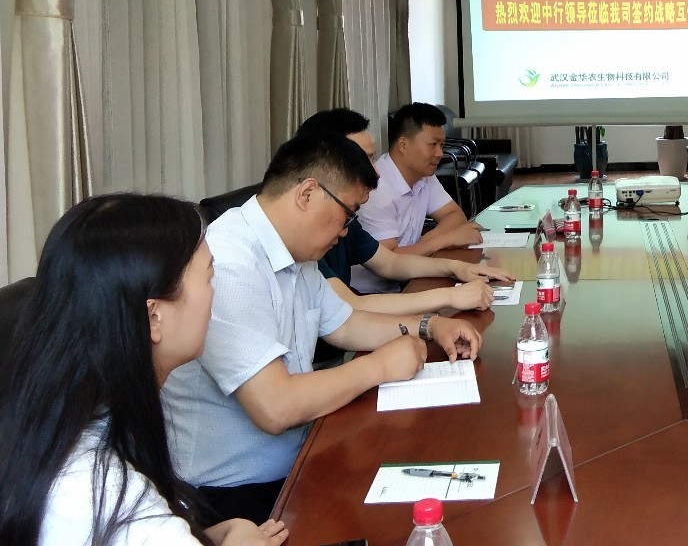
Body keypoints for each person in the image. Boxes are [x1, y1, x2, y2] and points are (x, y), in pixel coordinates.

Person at [163, 133, 483, 527]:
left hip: (301, 453)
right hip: (237, 496)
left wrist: (429, 326)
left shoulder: (294, 251)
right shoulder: (231, 264)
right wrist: (378, 367)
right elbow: (275, 407)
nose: (346, 231)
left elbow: (346, 323)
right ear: (308, 194)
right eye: (348, 214)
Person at [0, 194, 287, 546]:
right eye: (210, 277)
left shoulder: (62, 423)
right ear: (154, 317)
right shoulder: (109, 499)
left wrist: (219, 535)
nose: (216, 294)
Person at [296, 108, 513, 313]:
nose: (376, 173)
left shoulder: (346, 222)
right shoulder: (301, 239)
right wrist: (448, 297)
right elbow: (350, 307)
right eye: (364, 160)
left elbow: (390, 263)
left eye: (372, 159)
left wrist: (456, 268)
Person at [350, 103, 483, 294]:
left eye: (442, 145)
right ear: (403, 145)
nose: (439, 154)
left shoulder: (424, 176)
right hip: (372, 293)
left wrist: (423, 244)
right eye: (432, 145)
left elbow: (455, 216)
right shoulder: (376, 189)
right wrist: (444, 240)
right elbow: (390, 260)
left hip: (407, 279)